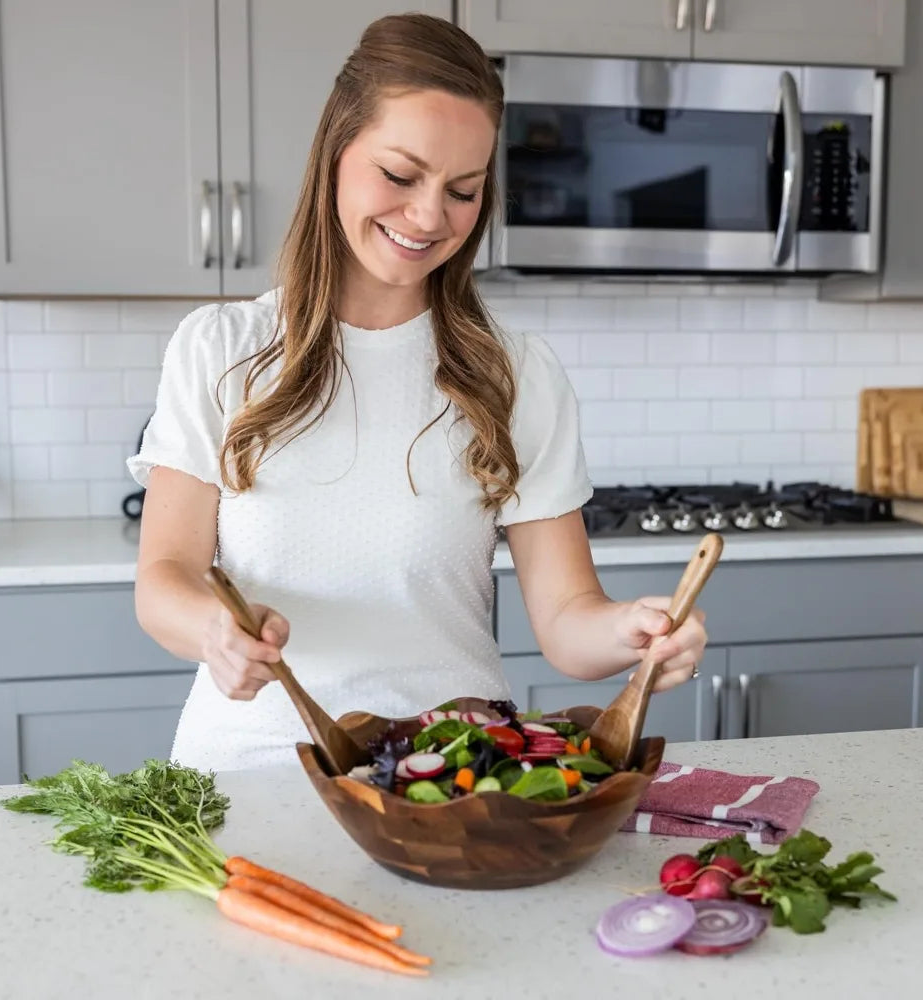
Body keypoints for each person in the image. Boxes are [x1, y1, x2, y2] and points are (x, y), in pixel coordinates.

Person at [128, 13, 708, 772]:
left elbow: (568, 621)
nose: (431, 216)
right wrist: (214, 630)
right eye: (400, 176)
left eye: (463, 191)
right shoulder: (222, 349)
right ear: (335, 152)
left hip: (454, 779)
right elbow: (163, 580)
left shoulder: (514, 373)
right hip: (251, 773)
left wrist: (634, 631)